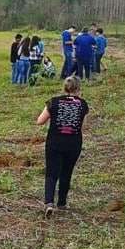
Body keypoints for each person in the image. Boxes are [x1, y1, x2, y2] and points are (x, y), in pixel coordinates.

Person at [36, 75, 88, 216]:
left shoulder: (54, 102)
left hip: (55, 142)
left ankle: (48, 203)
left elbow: (40, 121)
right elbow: (82, 126)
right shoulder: (83, 104)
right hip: (73, 143)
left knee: (51, 173)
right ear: (78, 88)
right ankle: (62, 203)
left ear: (65, 87)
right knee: (67, 172)